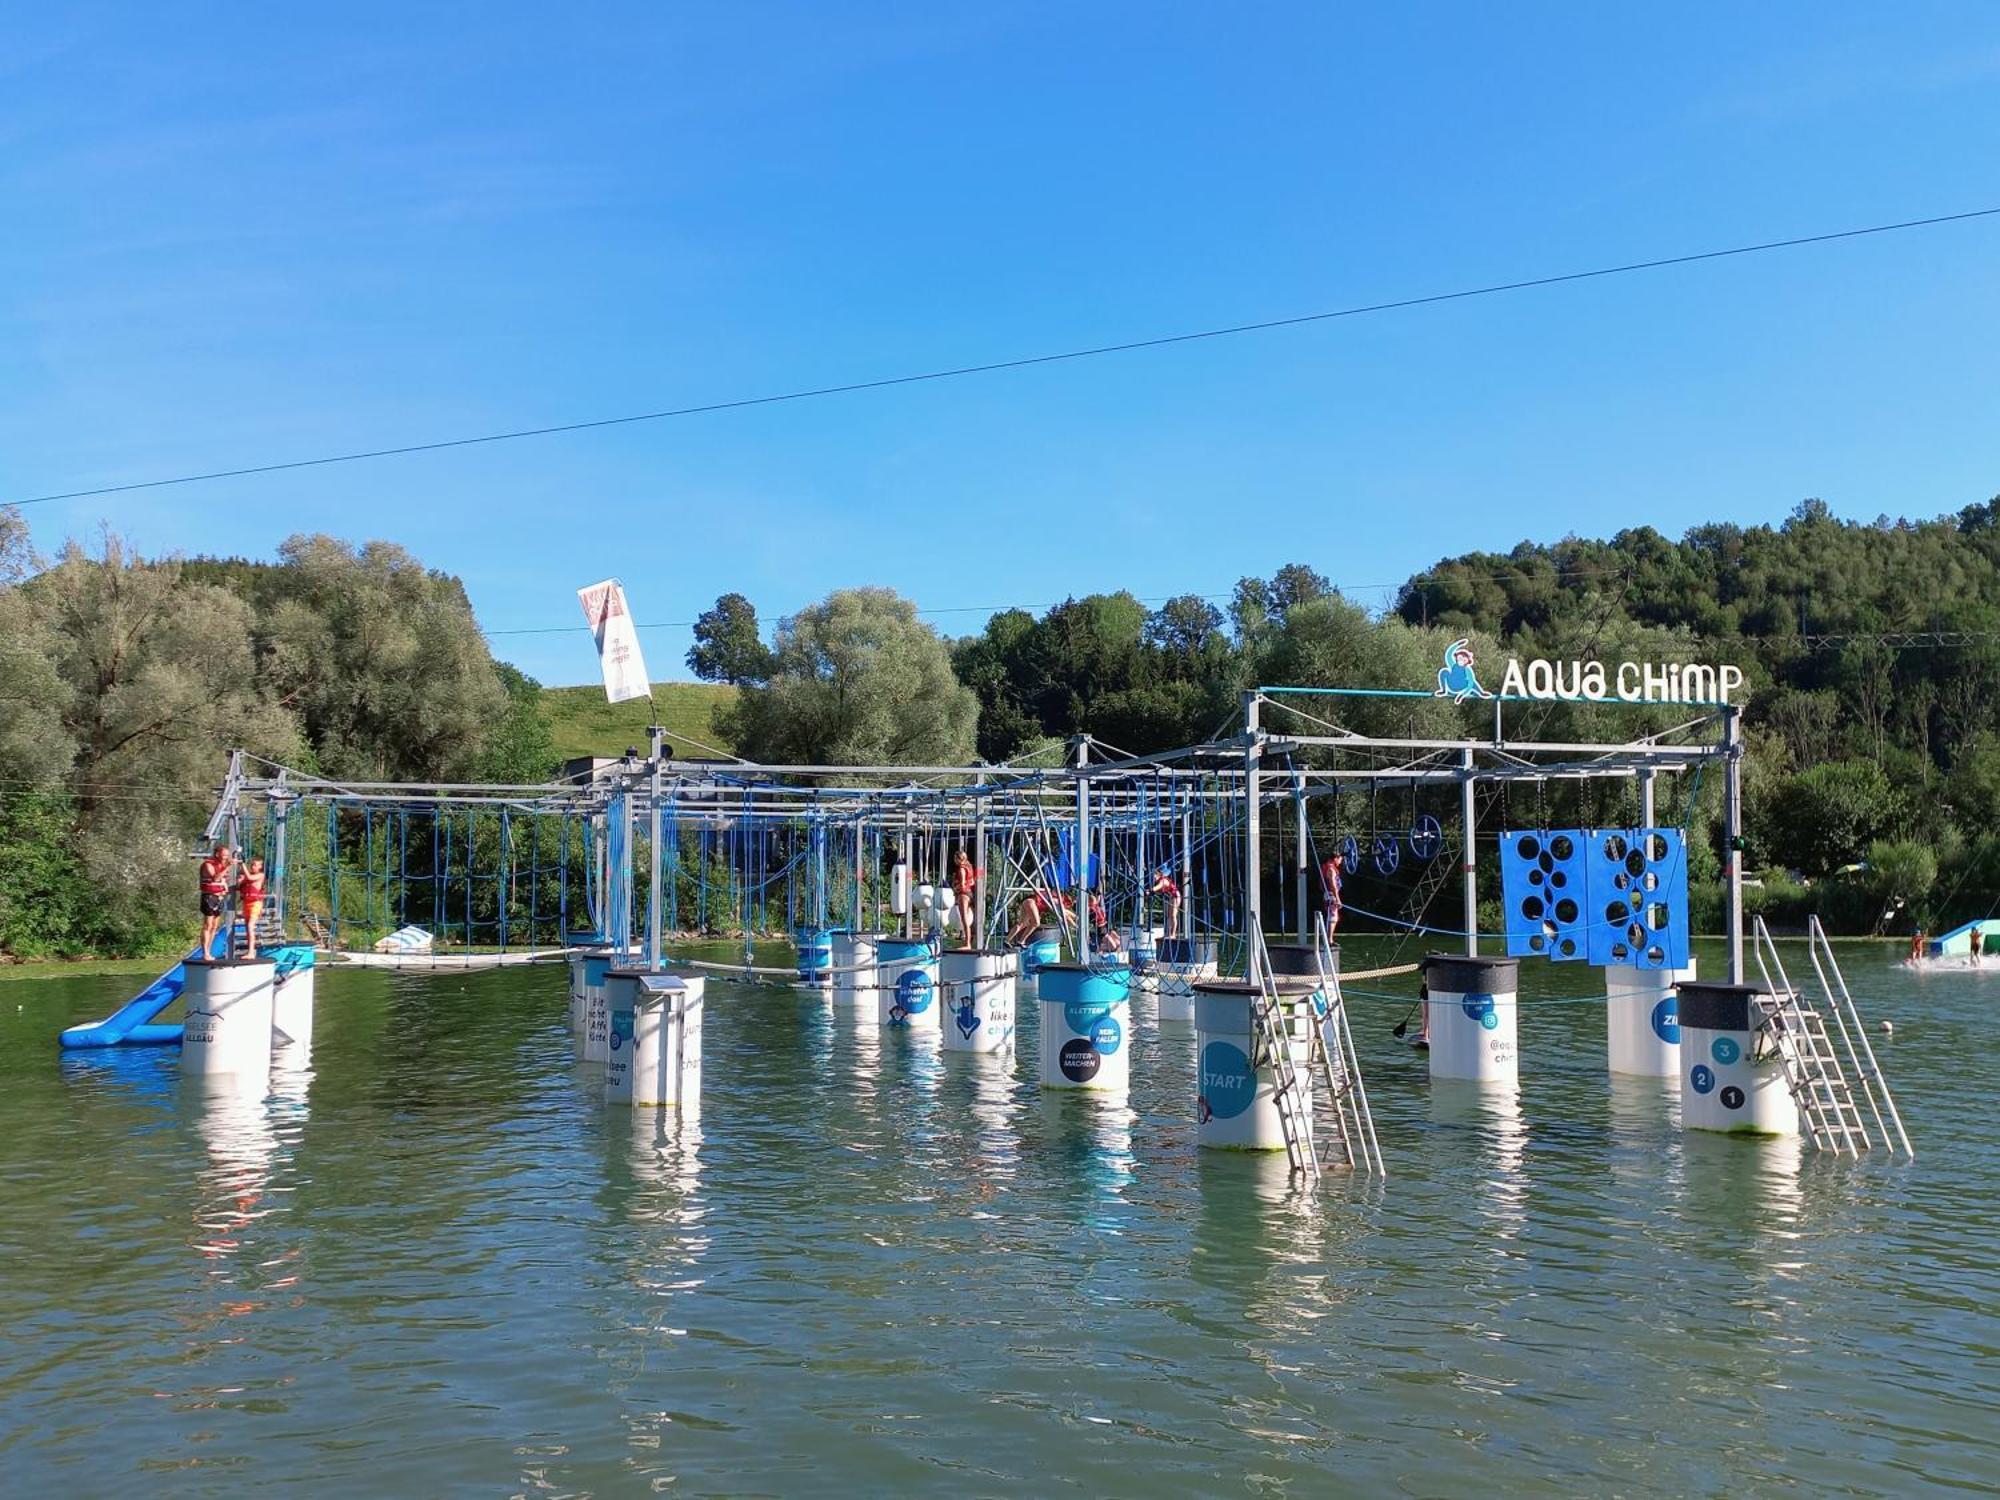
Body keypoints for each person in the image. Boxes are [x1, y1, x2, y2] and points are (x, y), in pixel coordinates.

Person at [197, 842, 236, 957]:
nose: (226, 858)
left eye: (227, 855)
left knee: (214, 925)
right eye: (224, 855)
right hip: (209, 896)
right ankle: (205, 952)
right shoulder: (208, 864)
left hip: (219, 897)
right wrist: (228, 866)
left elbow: (223, 880)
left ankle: (208, 950)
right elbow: (216, 877)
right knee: (208, 924)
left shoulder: (222, 866)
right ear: (217, 854)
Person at [236, 855, 268, 958]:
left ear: (260, 867)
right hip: (247, 903)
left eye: (255, 865)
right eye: (252, 865)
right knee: (247, 928)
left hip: (256, 903)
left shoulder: (260, 875)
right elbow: (239, 886)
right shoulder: (247, 876)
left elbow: (250, 878)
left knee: (250, 926)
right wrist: (239, 880)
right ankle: (249, 951)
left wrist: (242, 864)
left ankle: (251, 952)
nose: (253, 867)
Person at [950, 848, 980, 949]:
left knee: (964, 919)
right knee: (967, 919)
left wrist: (955, 888)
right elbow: (972, 882)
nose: (954, 861)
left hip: (963, 895)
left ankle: (967, 944)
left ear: (959, 859)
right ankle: (969, 940)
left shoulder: (962, 869)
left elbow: (962, 884)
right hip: (970, 893)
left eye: (955, 858)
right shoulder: (970, 867)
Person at [1149, 867, 1182, 939]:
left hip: (1175, 896)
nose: (1153, 879)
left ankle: (1173, 934)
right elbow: (1159, 891)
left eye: (1154, 876)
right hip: (1170, 897)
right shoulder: (1160, 881)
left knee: (1173, 915)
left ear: (1158, 875)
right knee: (1168, 915)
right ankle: (1167, 933)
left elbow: (1157, 887)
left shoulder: (1163, 880)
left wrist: (1150, 890)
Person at [1319, 851, 1345, 936]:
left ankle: (1329, 939)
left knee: (1334, 917)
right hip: (1331, 895)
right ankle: (1329, 940)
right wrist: (1337, 899)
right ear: (1335, 859)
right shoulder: (1330, 869)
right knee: (1333, 917)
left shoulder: (1326, 867)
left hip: (1329, 894)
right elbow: (1333, 885)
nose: (1341, 862)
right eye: (1340, 859)